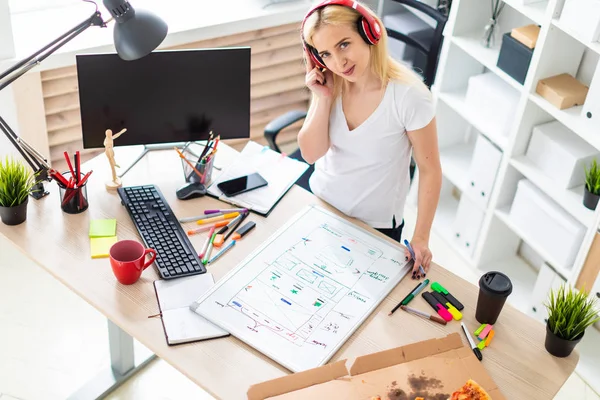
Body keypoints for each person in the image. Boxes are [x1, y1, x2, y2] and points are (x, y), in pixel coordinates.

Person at [298, 0, 442, 279]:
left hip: (375, 226)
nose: (338, 62)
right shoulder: (330, 82)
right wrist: (322, 98)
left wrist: (421, 237)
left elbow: (430, 170)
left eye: (344, 44)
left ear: (370, 32)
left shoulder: (409, 96)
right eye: (325, 53)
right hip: (322, 206)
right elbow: (311, 154)